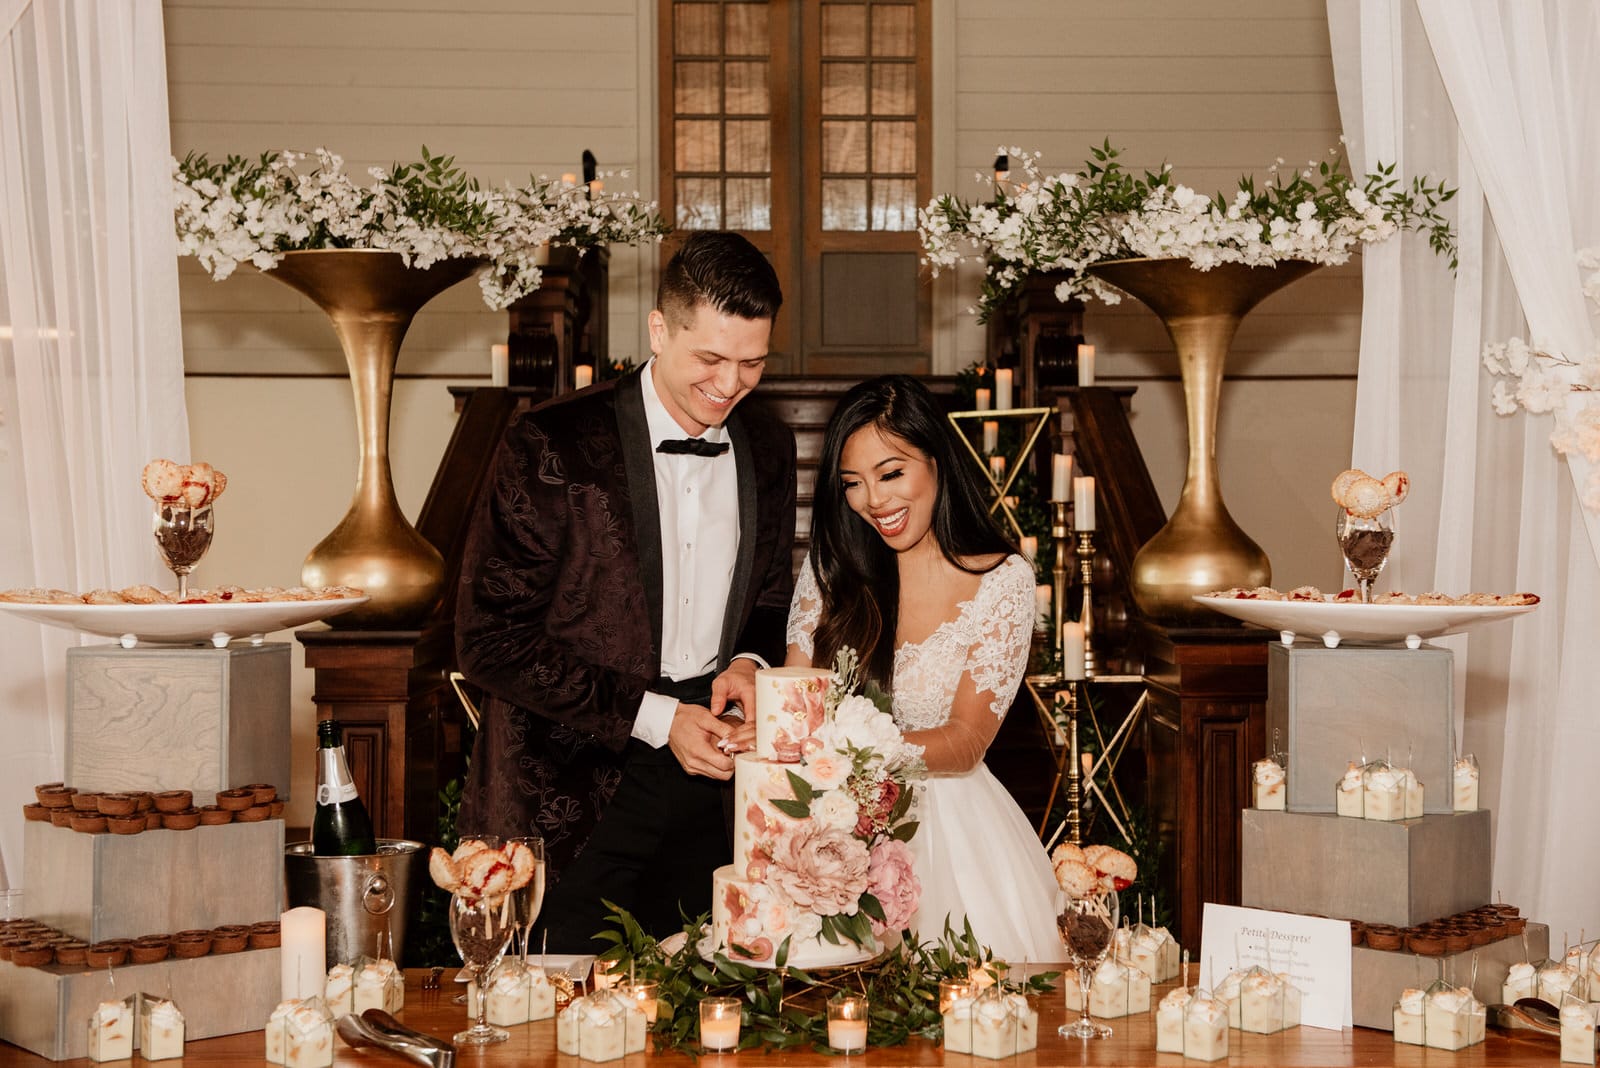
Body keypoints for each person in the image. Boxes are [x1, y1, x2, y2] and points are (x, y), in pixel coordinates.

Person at [454, 231, 796, 951]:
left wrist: (749, 666)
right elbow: (489, 641)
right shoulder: (551, 442)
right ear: (659, 329)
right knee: (558, 1021)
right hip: (570, 791)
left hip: (714, 783)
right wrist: (655, 716)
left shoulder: (767, 442)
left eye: (752, 363)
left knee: (704, 1015)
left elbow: (768, 597)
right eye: (709, 359)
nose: (730, 385)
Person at [780, 374, 1060, 961]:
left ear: (936, 460)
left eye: (890, 474)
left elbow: (964, 743)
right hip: (828, 833)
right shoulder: (833, 570)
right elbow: (794, 697)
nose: (873, 502)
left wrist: (855, 750)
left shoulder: (1001, 580)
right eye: (852, 484)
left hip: (953, 836)